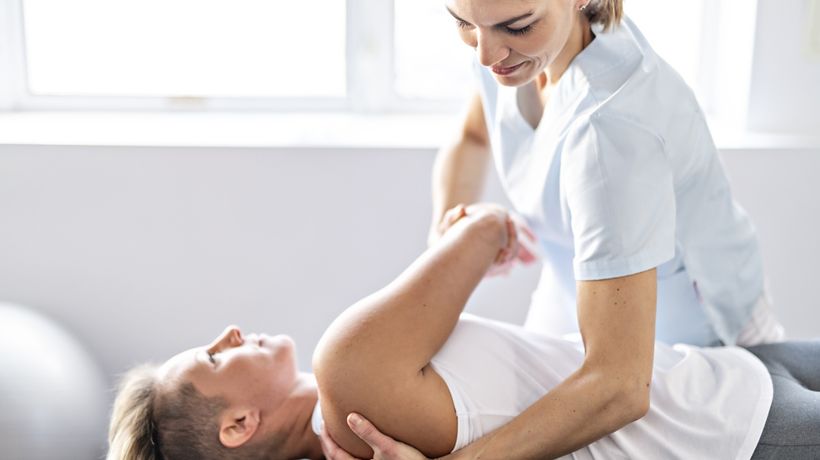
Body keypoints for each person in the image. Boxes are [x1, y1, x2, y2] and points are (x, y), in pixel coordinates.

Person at [321, 0, 786, 457]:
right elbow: (474, 136)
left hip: (699, 332)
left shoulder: (610, 129)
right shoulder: (509, 49)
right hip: (577, 292)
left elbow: (620, 385)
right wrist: (450, 238)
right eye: (463, 23)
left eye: (517, 26)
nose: (484, 54)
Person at [107, 205, 819, 460]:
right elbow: (488, 230)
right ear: (238, 425)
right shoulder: (346, 365)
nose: (230, 332)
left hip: (720, 376)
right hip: (734, 429)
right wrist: (466, 232)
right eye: (212, 354)